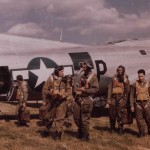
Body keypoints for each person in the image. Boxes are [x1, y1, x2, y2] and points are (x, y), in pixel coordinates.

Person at [42, 65, 70, 141]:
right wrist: (51, 94)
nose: (63, 73)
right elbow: (45, 89)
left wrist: (63, 95)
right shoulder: (50, 79)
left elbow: (68, 90)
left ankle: (58, 136)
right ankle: (46, 130)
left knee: (60, 119)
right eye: (61, 71)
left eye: (63, 71)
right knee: (48, 118)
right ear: (57, 71)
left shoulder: (65, 80)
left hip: (62, 102)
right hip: (52, 102)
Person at [73, 62, 99, 141]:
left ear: (88, 68)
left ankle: (85, 135)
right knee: (76, 117)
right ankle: (80, 131)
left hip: (87, 99)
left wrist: (84, 90)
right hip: (79, 98)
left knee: (84, 119)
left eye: (84, 67)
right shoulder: (83, 76)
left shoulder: (93, 77)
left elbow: (95, 89)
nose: (82, 69)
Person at [107, 65, 130, 134]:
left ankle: (120, 128)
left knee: (120, 114)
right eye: (119, 70)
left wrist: (125, 99)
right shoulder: (113, 78)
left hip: (121, 98)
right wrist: (108, 98)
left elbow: (127, 89)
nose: (120, 71)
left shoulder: (125, 79)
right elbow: (110, 88)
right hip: (113, 97)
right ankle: (112, 128)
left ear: (123, 71)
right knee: (112, 113)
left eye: (121, 70)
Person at [130, 69, 150, 138]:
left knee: (148, 118)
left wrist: (148, 104)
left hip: (146, 103)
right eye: (139, 76)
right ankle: (141, 132)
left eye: (141, 76)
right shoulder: (134, 85)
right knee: (139, 119)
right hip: (138, 104)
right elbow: (131, 95)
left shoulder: (148, 84)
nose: (140, 77)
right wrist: (132, 105)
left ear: (144, 75)